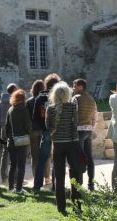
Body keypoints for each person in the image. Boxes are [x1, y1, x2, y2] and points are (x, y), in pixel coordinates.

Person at [46, 81, 84, 216]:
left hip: (57, 144)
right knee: (75, 175)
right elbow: (76, 123)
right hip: (72, 143)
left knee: (59, 176)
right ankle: (77, 206)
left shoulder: (50, 109)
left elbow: (48, 126)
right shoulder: (73, 107)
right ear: (68, 94)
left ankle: (61, 207)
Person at [33, 73, 60, 191]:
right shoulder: (60, 97)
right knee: (57, 159)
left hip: (45, 131)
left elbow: (35, 117)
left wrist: (43, 127)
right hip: (58, 131)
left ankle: (37, 185)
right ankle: (55, 185)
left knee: (42, 158)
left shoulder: (40, 97)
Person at [73, 78, 97, 190]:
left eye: (75, 86)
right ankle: (91, 184)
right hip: (89, 131)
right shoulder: (92, 99)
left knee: (79, 158)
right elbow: (95, 117)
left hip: (79, 130)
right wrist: (91, 128)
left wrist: (74, 128)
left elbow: (74, 115)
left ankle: (79, 183)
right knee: (89, 158)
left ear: (81, 87)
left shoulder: (76, 98)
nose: (73, 88)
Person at [7, 88, 32, 194]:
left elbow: (6, 126)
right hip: (21, 140)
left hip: (11, 140)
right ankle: (19, 188)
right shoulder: (24, 110)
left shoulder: (10, 110)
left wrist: (9, 137)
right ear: (23, 99)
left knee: (13, 165)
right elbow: (28, 126)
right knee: (21, 166)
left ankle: (10, 187)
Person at [26, 79, 49, 188]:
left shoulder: (29, 101)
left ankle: (36, 177)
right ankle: (47, 177)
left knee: (35, 156)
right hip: (44, 129)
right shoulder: (46, 99)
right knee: (46, 154)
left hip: (33, 130)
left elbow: (27, 117)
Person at [0, 83, 18, 185]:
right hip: (12, 129)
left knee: (5, 153)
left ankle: (4, 178)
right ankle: (14, 178)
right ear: (13, 90)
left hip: (3, 128)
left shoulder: (1, 101)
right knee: (15, 152)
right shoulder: (13, 101)